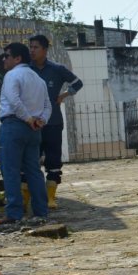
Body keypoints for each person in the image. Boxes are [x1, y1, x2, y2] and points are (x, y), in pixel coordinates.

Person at [26, 34, 83, 209]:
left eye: (36, 47)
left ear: (45, 49)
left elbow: (77, 83)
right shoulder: (27, 70)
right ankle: (26, 199)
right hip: (32, 124)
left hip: (53, 123)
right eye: (31, 47)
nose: (32, 50)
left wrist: (64, 95)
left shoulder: (57, 69)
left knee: (53, 161)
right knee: (30, 161)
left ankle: (51, 198)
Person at [0, 42, 51, 223]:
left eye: (7, 56)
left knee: (10, 170)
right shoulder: (38, 79)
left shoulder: (12, 75)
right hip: (34, 129)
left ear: (17, 58)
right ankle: (41, 211)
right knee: (34, 171)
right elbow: (47, 106)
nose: (4, 60)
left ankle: (14, 213)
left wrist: (27, 118)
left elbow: (14, 100)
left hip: (14, 124)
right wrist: (40, 121)